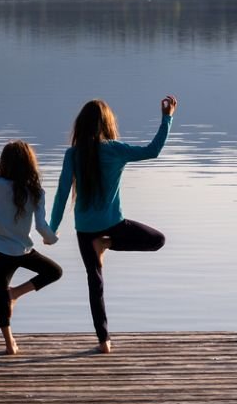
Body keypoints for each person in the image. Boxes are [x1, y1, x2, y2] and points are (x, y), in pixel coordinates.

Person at [49, 95, 177, 354]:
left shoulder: (72, 154)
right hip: (113, 224)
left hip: (84, 228)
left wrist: (52, 228)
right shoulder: (116, 150)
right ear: (106, 123)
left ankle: (104, 341)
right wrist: (167, 118)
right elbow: (153, 151)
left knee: (94, 282)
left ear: (81, 125)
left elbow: (62, 193)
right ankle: (107, 242)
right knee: (157, 240)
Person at [0, 141, 62, 355]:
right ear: (30, 164)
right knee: (54, 272)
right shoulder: (36, 191)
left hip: (0, 251)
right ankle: (15, 294)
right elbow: (41, 226)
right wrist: (52, 239)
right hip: (23, 251)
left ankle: (9, 342)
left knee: (0, 293)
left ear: (5, 163)